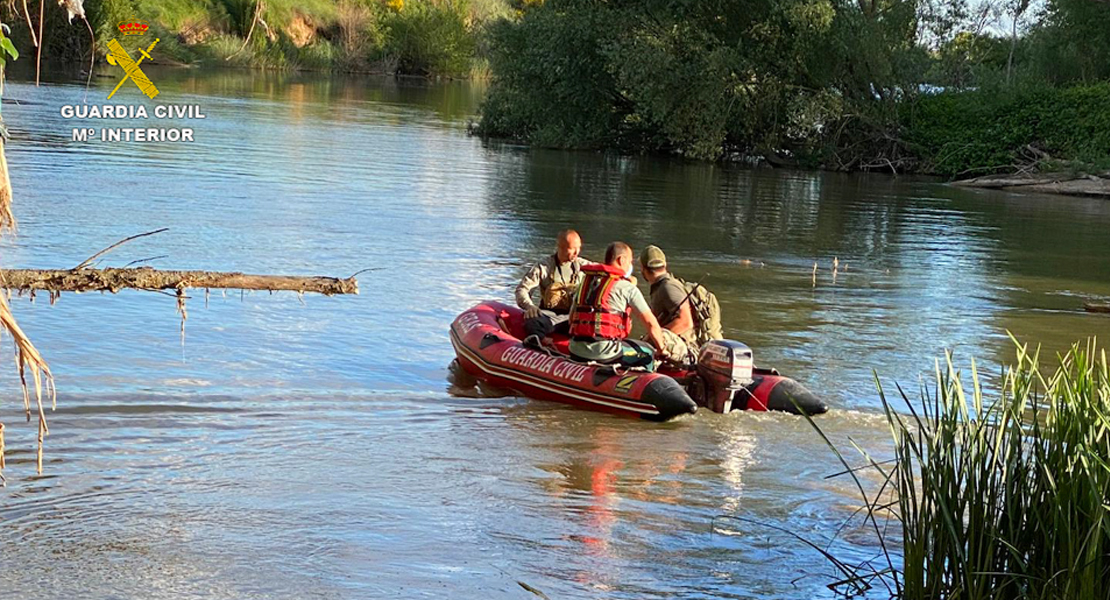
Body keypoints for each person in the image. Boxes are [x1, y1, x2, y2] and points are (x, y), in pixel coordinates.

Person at [567, 242, 666, 370]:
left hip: (575, 351)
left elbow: (571, 320)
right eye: (630, 262)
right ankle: (639, 383)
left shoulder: (584, 284)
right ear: (621, 260)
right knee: (648, 352)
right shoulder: (627, 288)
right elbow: (651, 324)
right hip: (605, 353)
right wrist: (661, 350)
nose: (631, 266)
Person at [639, 245, 723, 365]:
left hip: (688, 348)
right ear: (665, 265)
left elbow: (685, 322)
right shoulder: (661, 286)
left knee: (652, 339)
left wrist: (655, 337)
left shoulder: (668, 287)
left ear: (643, 268)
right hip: (684, 346)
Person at [515, 230, 589, 338]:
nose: (577, 252)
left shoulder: (584, 266)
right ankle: (540, 340)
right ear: (560, 247)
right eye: (572, 248)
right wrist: (530, 306)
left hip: (573, 317)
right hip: (549, 316)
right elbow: (522, 290)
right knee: (532, 321)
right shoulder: (544, 267)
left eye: (579, 248)